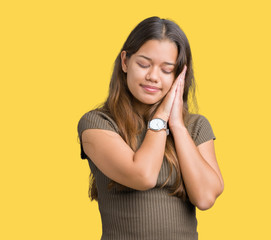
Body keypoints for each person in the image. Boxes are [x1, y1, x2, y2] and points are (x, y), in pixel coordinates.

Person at [77, 16, 224, 240]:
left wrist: (177, 126)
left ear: (179, 75)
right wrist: (162, 117)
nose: (153, 77)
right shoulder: (98, 123)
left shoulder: (195, 127)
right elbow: (143, 176)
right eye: (144, 64)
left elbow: (205, 198)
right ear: (125, 62)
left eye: (166, 70)